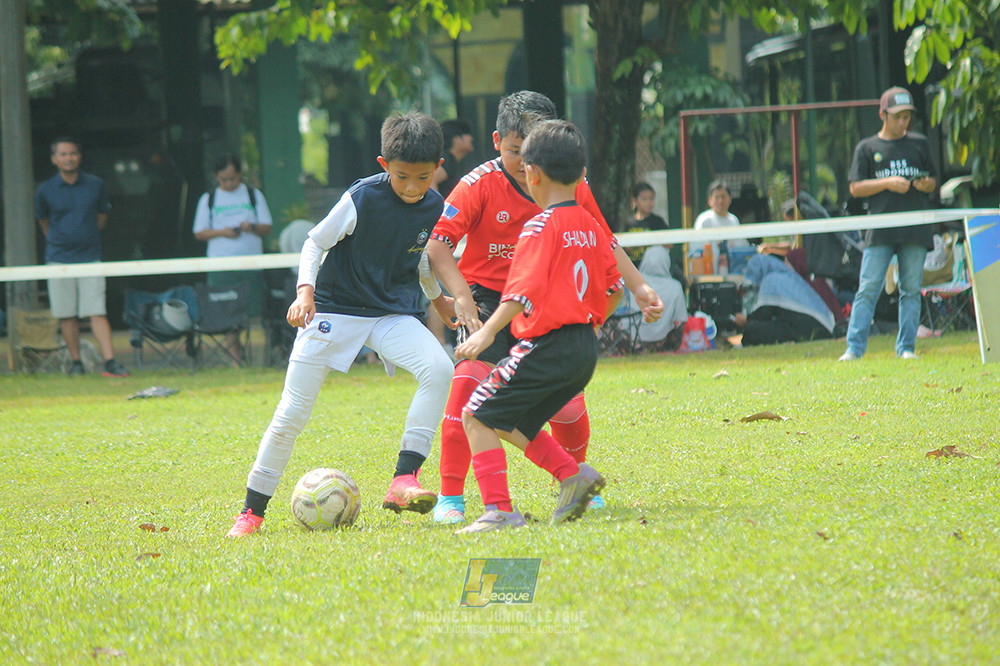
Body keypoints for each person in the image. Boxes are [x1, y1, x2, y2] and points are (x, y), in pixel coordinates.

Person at [426, 90, 663, 524]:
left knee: (543, 408)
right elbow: (438, 246)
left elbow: (601, 243)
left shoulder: (556, 206)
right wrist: (461, 300)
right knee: (472, 393)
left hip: (537, 314)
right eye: (515, 151)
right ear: (498, 142)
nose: (522, 163)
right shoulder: (480, 184)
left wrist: (638, 285)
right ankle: (452, 498)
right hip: (490, 304)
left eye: (530, 152)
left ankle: (548, 492)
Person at [226, 112, 455, 537]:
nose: (411, 187)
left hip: (388, 315)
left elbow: (421, 258)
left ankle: (404, 479)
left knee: (440, 369)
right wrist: (305, 292)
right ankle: (252, 512)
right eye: (402, 176)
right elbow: (315, 241)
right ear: (384, 165)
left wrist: (438, 299)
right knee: (291, 413)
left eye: (422, 177)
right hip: (331, 311)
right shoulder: (362, 197)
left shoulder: (436, 207)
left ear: (438, 166)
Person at [452, 119, 622, 533]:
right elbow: (613, 287)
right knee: (512, 420)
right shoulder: (590, 227)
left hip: (546, 345)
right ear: (582, 175)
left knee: (474, 414)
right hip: (583, 349)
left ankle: (499, 510)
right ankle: (572, 474)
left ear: (532, 173)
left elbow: (519, 294)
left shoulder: (540, 226)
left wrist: (486, 332)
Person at [838, 86, 937, 361]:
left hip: (915, 228)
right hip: (880, 230)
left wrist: (926, 183)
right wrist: (888, 184)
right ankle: (854, 349)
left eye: (907, 117)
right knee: (868, 288)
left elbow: (933, 181)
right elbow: (855, 188)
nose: (903, 122)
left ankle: (906, 348)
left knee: (911, 290)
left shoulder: (920, 143)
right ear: (883, 115)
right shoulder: (867, 148)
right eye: (897, 117)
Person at [35, 137, 129, 377]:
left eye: (73, 153)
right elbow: (44, 222)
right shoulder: (45, 189)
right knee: (67, 315)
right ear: (54, 159)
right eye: (63, 154)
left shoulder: (95, 185)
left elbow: (102, 217)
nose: (69, 158)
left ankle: (110, 361)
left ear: (80, 156)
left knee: (97, 310)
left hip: (90, 257)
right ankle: (76, 362)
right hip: (58, 259)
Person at [192, 154, 273, 362]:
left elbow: (267, 227)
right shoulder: (208, 199)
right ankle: (235, 356)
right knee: (226, 312)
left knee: (255, 310)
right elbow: (199, 232)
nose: (228, 184)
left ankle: (263, 354)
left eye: (232, 179)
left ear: (239, 175)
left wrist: (251, 227)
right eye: (223, 180)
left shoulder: (253, 195)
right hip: (221, 264)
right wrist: (223, 232)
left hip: (251, 263)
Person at [733, 253, 835, 346]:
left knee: (752, 329)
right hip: (822, 328)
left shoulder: (770, 280)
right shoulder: (788, 277)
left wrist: (744, 320)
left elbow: (762, 314)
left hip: (805, 329)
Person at [692, 179, 750, 273]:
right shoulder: (704, 220)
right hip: (710, 274)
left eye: (723, 197)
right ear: (710, 200)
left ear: (730, 199)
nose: (720, 201)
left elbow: (742, 247)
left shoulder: (734, 220)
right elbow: (696, 252)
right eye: (716, 197)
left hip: (732, 272)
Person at [432, 119, 475, 197]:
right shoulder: (446, 159)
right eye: (467, 134)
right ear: (457, 138)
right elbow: (431, 180)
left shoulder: (452, 160)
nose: (471, 138)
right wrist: (437, 207)